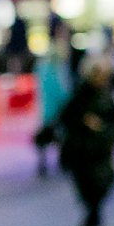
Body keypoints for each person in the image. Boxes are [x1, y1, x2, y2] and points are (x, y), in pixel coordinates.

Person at [59, 55, 114, 226]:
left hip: (99, 152)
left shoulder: (106, 98)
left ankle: (94, 212)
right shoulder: (80, 95)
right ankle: (92, 213)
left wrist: (102, 131)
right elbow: (66, 116)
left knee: (100, 183)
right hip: (82, 151)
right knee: (85, 185)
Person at [32, 22, 75, 176]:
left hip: (47, 103)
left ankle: (47, 162)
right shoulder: (57, 54)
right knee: (56, 132)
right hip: (54, 103)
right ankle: (57, 161)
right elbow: (57, 82)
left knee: (50, 132)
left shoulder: (47, 56)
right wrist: (66, 98)